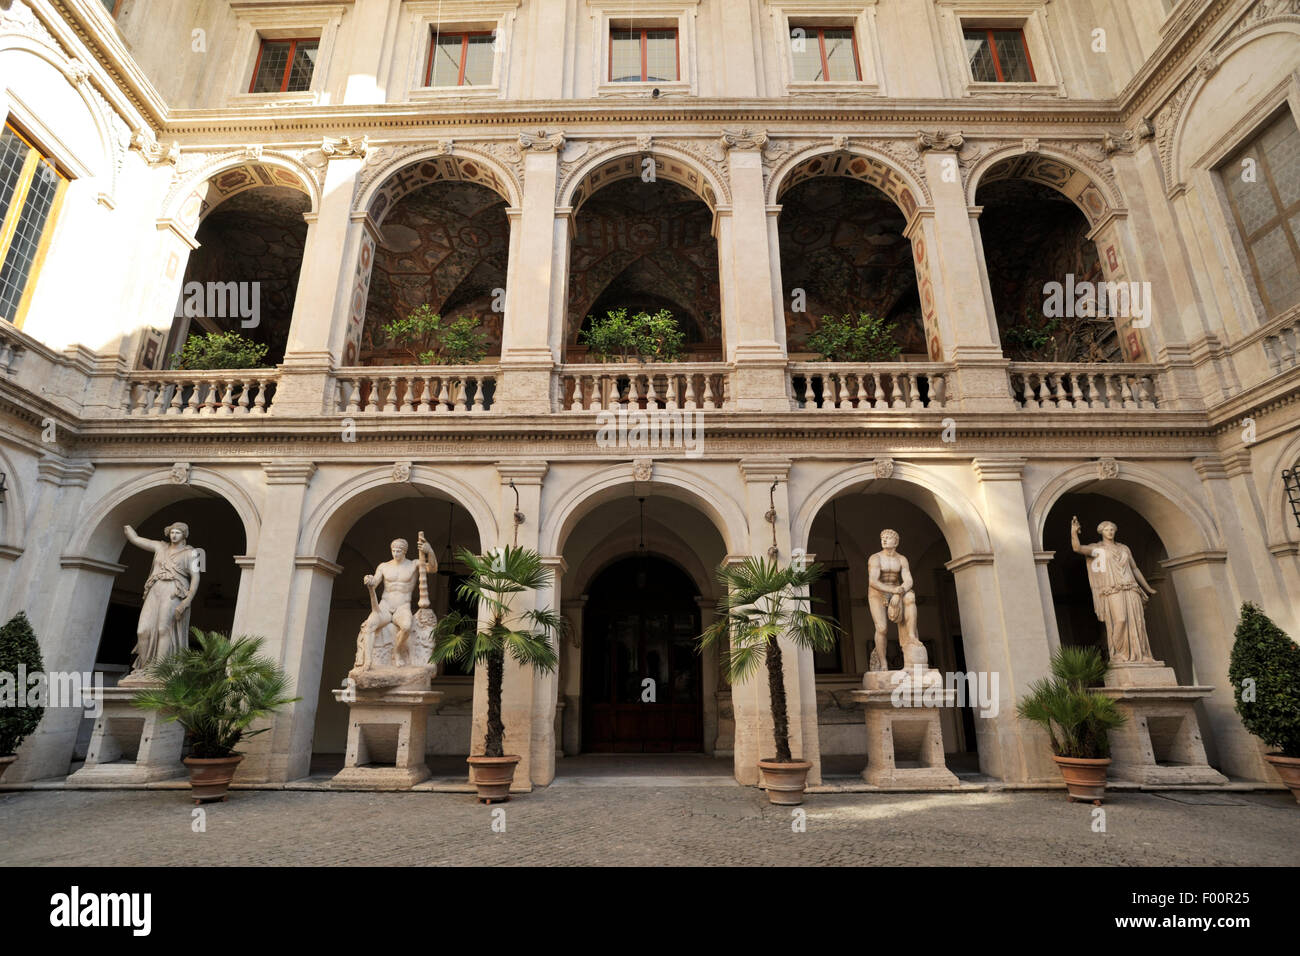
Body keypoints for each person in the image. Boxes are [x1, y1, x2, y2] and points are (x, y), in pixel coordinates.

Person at [1069, 516, 1157, 663]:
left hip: (1131, 588)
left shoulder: (1124, 548)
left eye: (1112, 530)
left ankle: (1142, 655)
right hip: (1112, 589)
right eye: (1106, 530)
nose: (1110, 532)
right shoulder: (1098, 549)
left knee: (1137, 622)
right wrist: (1074, 533)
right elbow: (1077, 548)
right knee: (1120, 620)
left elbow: (1134, 569)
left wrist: (1147, 587)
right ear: (1101, 532)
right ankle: (1118, 653)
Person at [123, 522, 201, 674]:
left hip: (174, 590)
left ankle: (159, 671)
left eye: (178, 532)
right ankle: (145, 668)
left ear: (184, 535)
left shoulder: (190, 553)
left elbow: (196, 577)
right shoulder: (160, 547)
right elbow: (136, 539)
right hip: (155, 589)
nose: (174, 535)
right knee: (142, 631)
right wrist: (125, 525)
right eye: (172, 532)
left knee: (163, 629)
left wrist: (186, 601)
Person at [357, 536, 436, 669]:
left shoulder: (414, 564)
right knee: (370, 625)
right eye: (393, 550)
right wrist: (369, 579)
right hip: (385, 606)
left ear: (404, 551)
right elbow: (375, 582)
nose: (395, 553)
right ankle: (367, 662)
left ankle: (397, 651)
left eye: (398, 550)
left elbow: (432, 569)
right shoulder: (384, 566)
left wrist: (430, 552)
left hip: (402, 606)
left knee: (406, 626)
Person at [866, 528, 921, 671]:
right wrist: (892, 590)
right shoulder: (876, 558)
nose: (884, 540)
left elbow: (908, 580)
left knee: (910, 597)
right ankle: (883, 663)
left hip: (896, 590)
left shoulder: (901, 559)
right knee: (882, 628)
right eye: (882, 538)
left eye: (887, 538)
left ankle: (911, 636)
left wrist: (899, 592)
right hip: (877, 593)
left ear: (895, 541)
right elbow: (873, 581)